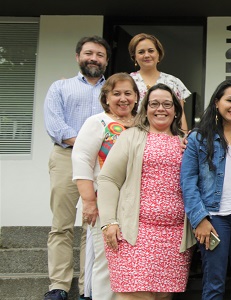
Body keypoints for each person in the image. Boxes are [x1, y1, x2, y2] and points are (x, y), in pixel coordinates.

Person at [96, 84, 194, 299]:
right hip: (134, 234)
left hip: (175, 237)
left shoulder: (186, 141)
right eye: (154, 104)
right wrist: (109, 220)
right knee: (135, 294)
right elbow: (108, 179)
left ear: (176, 110)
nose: (161, 109)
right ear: (145, 109)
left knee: (163, 296)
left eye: (167, 104)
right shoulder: (130, 137)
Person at [43, 35, 110, 300]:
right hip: (65, 158)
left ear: (106, 60)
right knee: (62, 224)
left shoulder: (113, 89)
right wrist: (88, 145)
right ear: (78, 57)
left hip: (103, 163)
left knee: (92, 225)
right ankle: (59, 285)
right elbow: (56, 126)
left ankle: (88, 287)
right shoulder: (61, 87)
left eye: (100, 55)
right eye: (89, 53)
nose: (94, 58)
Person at [181, 79, 231, 299]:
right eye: (230, 100)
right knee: (215, 284)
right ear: (217, 102)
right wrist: (200, 219)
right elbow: (188, 181)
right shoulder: (198, 138)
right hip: (214, 219)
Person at [72, 73, 139, 300]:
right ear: (106, 97)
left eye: (128, 93)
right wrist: (89, 201)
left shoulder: (143, 124)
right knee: (105, 259)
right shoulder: (97, 122)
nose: (123, 99)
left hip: (136, 204)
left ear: (137, 97)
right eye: (116, 93)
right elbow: (81, 161)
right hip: (104, 203)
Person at [128, 33, 191, 132]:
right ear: (134, 57)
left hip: (167, 137)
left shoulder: (173, 82)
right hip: (134, 137)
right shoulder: (127, 81)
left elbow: (180, 115)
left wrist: (183, 136)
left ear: (159, 54)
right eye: (141, 52)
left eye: (151, 51)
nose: (147, 55)